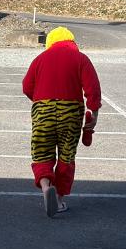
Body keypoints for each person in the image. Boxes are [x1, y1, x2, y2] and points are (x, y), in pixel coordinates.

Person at [22, 26, 101, 217]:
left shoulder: (40, 59)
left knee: (42, 153)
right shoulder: (80, 58)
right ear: (71, 42)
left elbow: (26, 86)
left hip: (43, 110)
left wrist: (41, 101)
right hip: (71, 112)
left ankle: (45, 186)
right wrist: (94, 113)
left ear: (50, 43)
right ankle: (58, 199)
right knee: (66, 156)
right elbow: (93, 88)